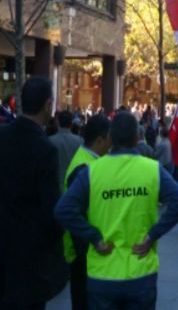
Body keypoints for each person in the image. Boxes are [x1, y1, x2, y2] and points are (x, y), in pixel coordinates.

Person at [55, 110, 178, 309]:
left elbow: (63, 210)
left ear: (112, 137)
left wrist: (94, 237)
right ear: (137, 138)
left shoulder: (92, 171)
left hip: (103, 273)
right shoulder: (152, 169)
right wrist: (153, 234)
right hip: (140, 271)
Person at [0, 77, 68, 308]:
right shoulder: (45, 150)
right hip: (29, 260)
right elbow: (51, 211)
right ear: (48, 105)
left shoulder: (2, 137)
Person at [62, 114, 113, 310]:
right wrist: (93, 242)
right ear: (101, 139)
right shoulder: (84, 168)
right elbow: (73, 214)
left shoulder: (88, 162)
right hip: (84, 255)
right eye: (110, 138)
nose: (111, 144)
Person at [50, 109, 85, 191]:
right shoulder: (80, 141)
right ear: (71, 123)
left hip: (55, 186)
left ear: (57, 122)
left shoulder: (49, 141)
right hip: (75, 186)